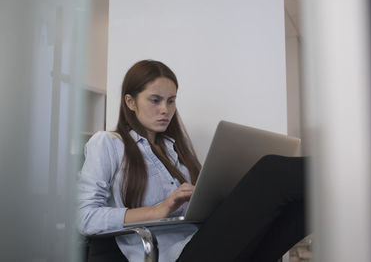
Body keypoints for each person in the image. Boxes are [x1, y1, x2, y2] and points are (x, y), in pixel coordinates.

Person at [77, 60, 307, 262]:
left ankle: (337, 182)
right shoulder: (107, 143)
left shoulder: (173, 148)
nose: (165, 110)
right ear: (130, 102)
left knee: (304, 207)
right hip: (173, 255)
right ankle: (340, 167)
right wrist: (157, 210)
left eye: (171, 101)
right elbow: (85, 217)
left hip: (202, 241)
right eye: (155, 100)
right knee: (271, 170)